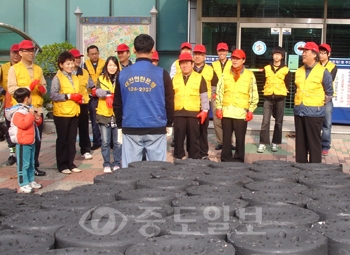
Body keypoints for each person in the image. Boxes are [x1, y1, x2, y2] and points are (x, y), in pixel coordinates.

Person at [114, 34, 174, 168]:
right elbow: (169, 101)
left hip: (131, 126)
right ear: (152, 49)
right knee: (157, 171)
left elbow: (117, 103)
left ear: (134, 50)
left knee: (130, 172)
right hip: (156, 127)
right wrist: (169, 122)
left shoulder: (122, 74)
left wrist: (119, 125)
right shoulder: (162, 74)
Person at [7, 40, 47, 176]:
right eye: (28, 50)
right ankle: (23, 170)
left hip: (37, 109)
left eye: (32, 50)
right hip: (22, 112)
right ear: (21, 52)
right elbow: (12, 89)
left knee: (36, 139)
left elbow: (44, 89)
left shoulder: (38, 69)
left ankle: (34, 166)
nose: (31, 53)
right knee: (24, 141)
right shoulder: (14, 69)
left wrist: (41, 88)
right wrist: (28, 88)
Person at [216, 49, 259, 163]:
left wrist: (251, 110)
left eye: (238, 59)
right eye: (233, 58)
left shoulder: (250, 75)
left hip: (241, 112)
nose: (235, 61)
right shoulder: (225, 74)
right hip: (227, 110)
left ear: (243, 60)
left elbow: (253, 92)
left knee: (240, 138)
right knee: (226, 138)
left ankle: (239, 159)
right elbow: (220, 91)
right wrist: (219, 107)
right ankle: (225, 158)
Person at [294, 42, 333, 163]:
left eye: (306, 51)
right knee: (300, 144)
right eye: (303, 51)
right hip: (299, 112)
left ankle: (314, 171)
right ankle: (300, 168)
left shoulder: (323, 71)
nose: (303, 54)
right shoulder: (299, 71)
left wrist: (318, 106)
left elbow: (329, 93)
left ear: (314, 54)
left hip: (314, 114)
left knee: (314, 144)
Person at [50, 51, 83, 174]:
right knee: (63, 140)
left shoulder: (75, 77)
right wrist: (69, 96)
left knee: (72, 139)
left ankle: (71, 163)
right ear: (61, 65)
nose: (70, 66)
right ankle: (62, 165)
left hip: (74, 112)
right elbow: (53, 95)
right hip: (62, 114)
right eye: (67, 64)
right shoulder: (57, 78)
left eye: (72, 63)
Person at [5, 88, 42, 193]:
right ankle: (23, 183)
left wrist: (37, 117)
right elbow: (23, 124)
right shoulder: (18, 112)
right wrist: (30, 115)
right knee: (23, 165)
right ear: (26, 98)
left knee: (31, 163)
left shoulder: (28, 110)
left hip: (31, 141)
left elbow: (35, 123)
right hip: (23, 142)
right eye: (30, 97)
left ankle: (31, 180)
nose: (31, 99)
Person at [172, 52, 209, 159]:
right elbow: (171, 96)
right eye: (182, 63)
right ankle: (178, 157)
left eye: (187, 63)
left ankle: (194, 157)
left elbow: (204, 95)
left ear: (192, 64)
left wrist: (205, 110)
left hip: (194, 113)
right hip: (178, 112)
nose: (185, 65)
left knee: (194, 138)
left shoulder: (199, 78)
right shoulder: (175, 78)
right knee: (178, 138)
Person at [257, 46, 290, 153]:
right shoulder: (266, 68)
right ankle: (262, 143)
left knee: (278, 122)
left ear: (282, 56)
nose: (276, 56)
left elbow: (287, 83)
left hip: (280, 98)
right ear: (272, 56)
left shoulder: (285, 69)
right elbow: (263, 81)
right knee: (265, 121)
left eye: (279, 54)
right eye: (275, 54)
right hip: (268, 98)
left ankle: (275, 142)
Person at [96, 56, 122, 173]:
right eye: (110, 65)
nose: (112, 68)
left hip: (117, 114)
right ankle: (106, 163)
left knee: (117, 142)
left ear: (118, 66)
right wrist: (108, 94)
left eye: (114, 65)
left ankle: (117, 162)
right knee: (105, 141)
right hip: (104, 113)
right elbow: (97, 91)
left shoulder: (121, 78)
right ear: (106, 66)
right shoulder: (101, 78)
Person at [193, 44, 218, 160]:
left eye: (200, 55)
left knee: (203, 130)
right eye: (195, 54)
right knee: (192, 131)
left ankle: (203, 154)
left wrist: (211, 97)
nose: (197, 57)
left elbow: (215, 85)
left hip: (204, 105)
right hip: (191, 104)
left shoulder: (210, 69)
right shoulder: (189, 68)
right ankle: (193, 153)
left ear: (204, 56)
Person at [70, 48, 94, 160]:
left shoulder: (84, 72)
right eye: (76, 57)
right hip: (69, 103)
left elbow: (91, 86)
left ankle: (85, 149)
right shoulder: (65, 73)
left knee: (83, 127)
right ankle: (70, 151)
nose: (78, 60)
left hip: (83, 103)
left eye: (79, 57)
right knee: (71, 129)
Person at [0, 43, 21, 166]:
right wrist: (4, 92)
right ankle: (12, 154)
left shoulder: (24, 68)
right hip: (9, 104)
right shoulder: (3, 68)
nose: (16, 55)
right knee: (10, 129)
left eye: (18, 53)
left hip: (23, 104)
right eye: (14, 52)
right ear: (10, 54)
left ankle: (21, 153)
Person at [211, 42, 234, 151]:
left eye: (224, 51)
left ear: (227, 52)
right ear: (217, 52)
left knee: (229, 118)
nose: (222, 53)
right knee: (217, 119)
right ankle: (221, 142)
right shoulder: (213, 64)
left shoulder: (232, 63)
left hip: (229, 93)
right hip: (216, 92)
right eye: (220, 51)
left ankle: (229, 142)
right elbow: (212, 80)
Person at [84, 45, 105, 151]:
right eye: (92, 54)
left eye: (96, 53)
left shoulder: (104, 63)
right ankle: (97, 141)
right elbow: (85, 78)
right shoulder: (85, 65)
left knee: (105, 118)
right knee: (94, 119)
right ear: (88, 55)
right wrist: (93, 89)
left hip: (103, 95)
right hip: (91, 96)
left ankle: (107, 141)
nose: (95, 55)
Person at [319, 43, 338, 156]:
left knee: (327, 123)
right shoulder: (315, 65)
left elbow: (328, 81)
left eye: (323, 53)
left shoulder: (332, 66)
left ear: (328, 54)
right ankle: (315, 143)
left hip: (327, 99)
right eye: (320, 53)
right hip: (315, 98)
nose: (321, 55)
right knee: (315, 123)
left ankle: (325, 146)